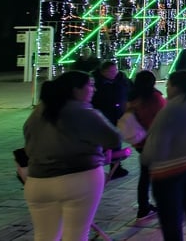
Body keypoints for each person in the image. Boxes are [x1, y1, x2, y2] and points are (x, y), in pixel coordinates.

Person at [23, 71, 121, 241]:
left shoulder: (38, 113)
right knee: (76, 235)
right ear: (75, 90)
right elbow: (113, 139)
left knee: (44, 236)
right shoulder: (81, 111)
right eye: (90, 85)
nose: (94, 89)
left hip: (37, 183)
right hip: (79, 179)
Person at [142, 70, 186, 241]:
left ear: (177, 87)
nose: (166, 87)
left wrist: (146, 158)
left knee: (170, 217)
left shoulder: (171, 109)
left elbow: (156, 144)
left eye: (168, 84)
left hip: (169, 170)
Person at [126, 70, 167, 220]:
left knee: (145, 175)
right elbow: (164, 118)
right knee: (160, 175)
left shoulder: (133, 98)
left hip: (140, 141)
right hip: (155, 141)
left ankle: (143, 206)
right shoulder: (155, 98)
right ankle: (163, 204)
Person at [92, 61, 131, 179]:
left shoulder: (121, 80)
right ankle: (97, 167)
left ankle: (116, 167)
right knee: (102, 143)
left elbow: (128, 91)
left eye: (115, 70)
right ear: (103, 71)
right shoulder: (96, 83)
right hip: (102, 116)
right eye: (111, 71)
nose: (114, 73)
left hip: (117, 115)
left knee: (116, 141)